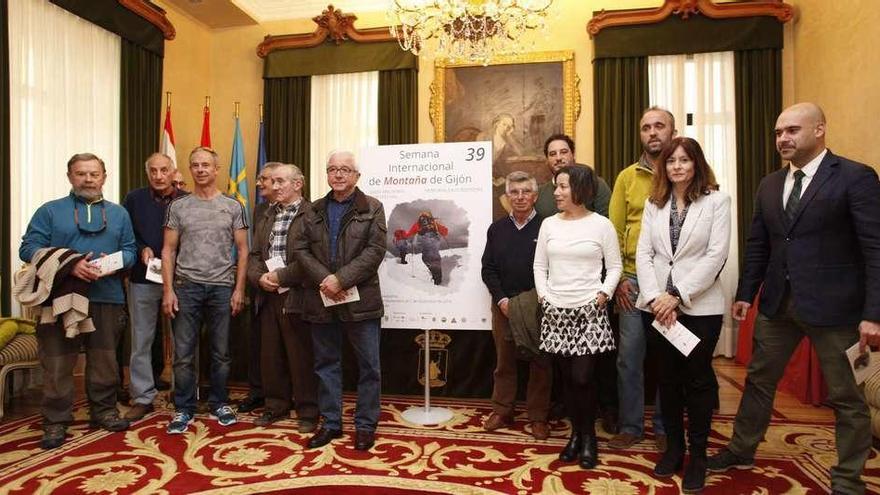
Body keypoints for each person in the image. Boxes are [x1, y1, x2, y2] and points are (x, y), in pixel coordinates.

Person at [707, 103, 880, 495]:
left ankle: (848, 480)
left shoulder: (855, 177)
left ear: (820, 129)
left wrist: (874, 312)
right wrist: (745, 293)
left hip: (836, 311)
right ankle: (742, 448)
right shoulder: (769, 184)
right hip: (778, 305)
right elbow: (759, 244)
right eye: (778, 132)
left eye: (792, 130)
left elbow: (875, 247)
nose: (783, 138)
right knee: (758, 381)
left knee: (847, 398)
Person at [20, 152, 137, 449]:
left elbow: (130, 251)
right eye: (81, 174)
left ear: (104, 177)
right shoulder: (49, 211)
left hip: (106, 296)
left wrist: (106, 265)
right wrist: (71, 264)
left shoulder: (120, 214)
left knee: (105, 360)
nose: (88, 179)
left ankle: (104, 411)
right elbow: (28, 248)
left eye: (93, 174)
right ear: (70, 177)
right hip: (58, 299)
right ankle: (56, 421)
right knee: (58, 362)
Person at [635, 137, 730, 492]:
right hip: (658, 307)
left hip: (699, 308)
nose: (677, 166)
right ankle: (674, 448)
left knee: (698, 381)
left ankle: (699, 455)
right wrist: (656, 297)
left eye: (684, 160)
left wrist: (676, 295)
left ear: (697, 164)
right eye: (671, 160)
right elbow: (644, 254)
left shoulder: (717, 201)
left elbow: (716, 256)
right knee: (667, 380)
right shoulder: (653, 203)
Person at [294, 150, 386, 451]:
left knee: (369, 366)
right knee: (325, 364)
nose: (338, 174)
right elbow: (301, 250)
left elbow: (374, 252)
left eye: (345, 169)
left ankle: (365, 426)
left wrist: (341, 279)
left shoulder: (373, 207)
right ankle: (331, 424)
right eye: (332, 169)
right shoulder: (313, 210)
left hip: (361, 300)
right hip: (321, 297)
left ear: (356, 176)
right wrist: (326, 279)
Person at [534, 165, 622, 469]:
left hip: (589, 311)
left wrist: (604, 294)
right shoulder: (548, 225)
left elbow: (614, 267)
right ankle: (575, 435)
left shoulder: (601, 225)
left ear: (581, 189)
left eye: (562, 187)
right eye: (556, 186)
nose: (556, 192)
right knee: (567, 382)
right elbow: (539, 266)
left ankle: (589, 438)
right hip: (556, 310)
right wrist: (544, 296)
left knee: (583, 377)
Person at [161, 146, 249, 434]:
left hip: (223, 287)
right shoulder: (178, 206)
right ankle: (184, 408)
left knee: (221, 352)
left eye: (205, 165)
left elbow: (243, 251)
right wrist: (168, 290)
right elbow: (168, 250)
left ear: (216, 169)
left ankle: (219, 402)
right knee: (184, 353)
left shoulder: (233, 206)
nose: (200, 170)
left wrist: (239, 290)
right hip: (186, 288)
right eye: (195, 165)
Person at [608, 107, 677, 451]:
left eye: (659, 126)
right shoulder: (626, 178)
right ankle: (631, 425)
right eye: (646, 127)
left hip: (671, 285)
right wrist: (618, 277)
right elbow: (615, 231)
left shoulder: (684, 173)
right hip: (632, 281)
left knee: (669, 357)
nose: (652, 133)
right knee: (629, 357)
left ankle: (665, 427)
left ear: (672, 131)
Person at [247, 163, 319, 432]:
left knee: (300, 355)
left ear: (298, 184)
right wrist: (258, 278)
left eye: (280, 182)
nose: (273, 186)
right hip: (267, 293)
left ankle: (308, 410)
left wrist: (281, 277)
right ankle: (275, 405)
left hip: (298, 293)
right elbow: (254, 255)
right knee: (271, 354)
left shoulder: (312, 214)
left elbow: (313, 258)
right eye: (272, 181)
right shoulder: (265, 214)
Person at [481, 171, 552, 440]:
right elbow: (488, 270)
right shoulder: (496, 229)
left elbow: (553, 269)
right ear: (508, 196)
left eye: (526, 192)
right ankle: (502, 410)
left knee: (541, 363)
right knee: (504, 360)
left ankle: (538, 416)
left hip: (538, 306)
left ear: (535, 196)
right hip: (504, 306)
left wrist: (534, 301)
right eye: (515, 192)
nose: (520, 197)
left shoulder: (548, 227)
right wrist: (502, 300)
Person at [122, 152, 186, 421]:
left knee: (184, 339)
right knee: (141, 339)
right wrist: (141, 248)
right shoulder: (133, 199)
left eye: (164, 170)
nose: (159, 176)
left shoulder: (187, 200)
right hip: (143, 277)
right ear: (147, 173)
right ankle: (142, 396)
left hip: (182, 279)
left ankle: (182, 393)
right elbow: (126, 234)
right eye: (153, 171)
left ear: (173, 172)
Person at [238, 164, 279, 414]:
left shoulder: (306, 209)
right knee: (259, 345)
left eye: (263, 179)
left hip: (287, 285)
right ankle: (258, 392)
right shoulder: (260, 210)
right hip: (260, 284)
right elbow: (254, 251)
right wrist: (256, 277)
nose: (258, 183)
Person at [535, 134, 611, 219]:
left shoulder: (595, 184)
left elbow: (606, 220)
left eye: (564, 152)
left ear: (573, 154)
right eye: (553, 154)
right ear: (547, 160)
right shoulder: (540, 194)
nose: (558, 158)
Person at [402, 211, 449, 285]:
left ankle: (436, 279)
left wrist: (404, 236)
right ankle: (437, 277)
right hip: (435, 241)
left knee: (426, 258)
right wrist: (442, 230)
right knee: (435, 257)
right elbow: (445, 232)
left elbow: (409, 233)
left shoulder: (418, 224)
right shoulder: (433, 223)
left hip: (426, 242)